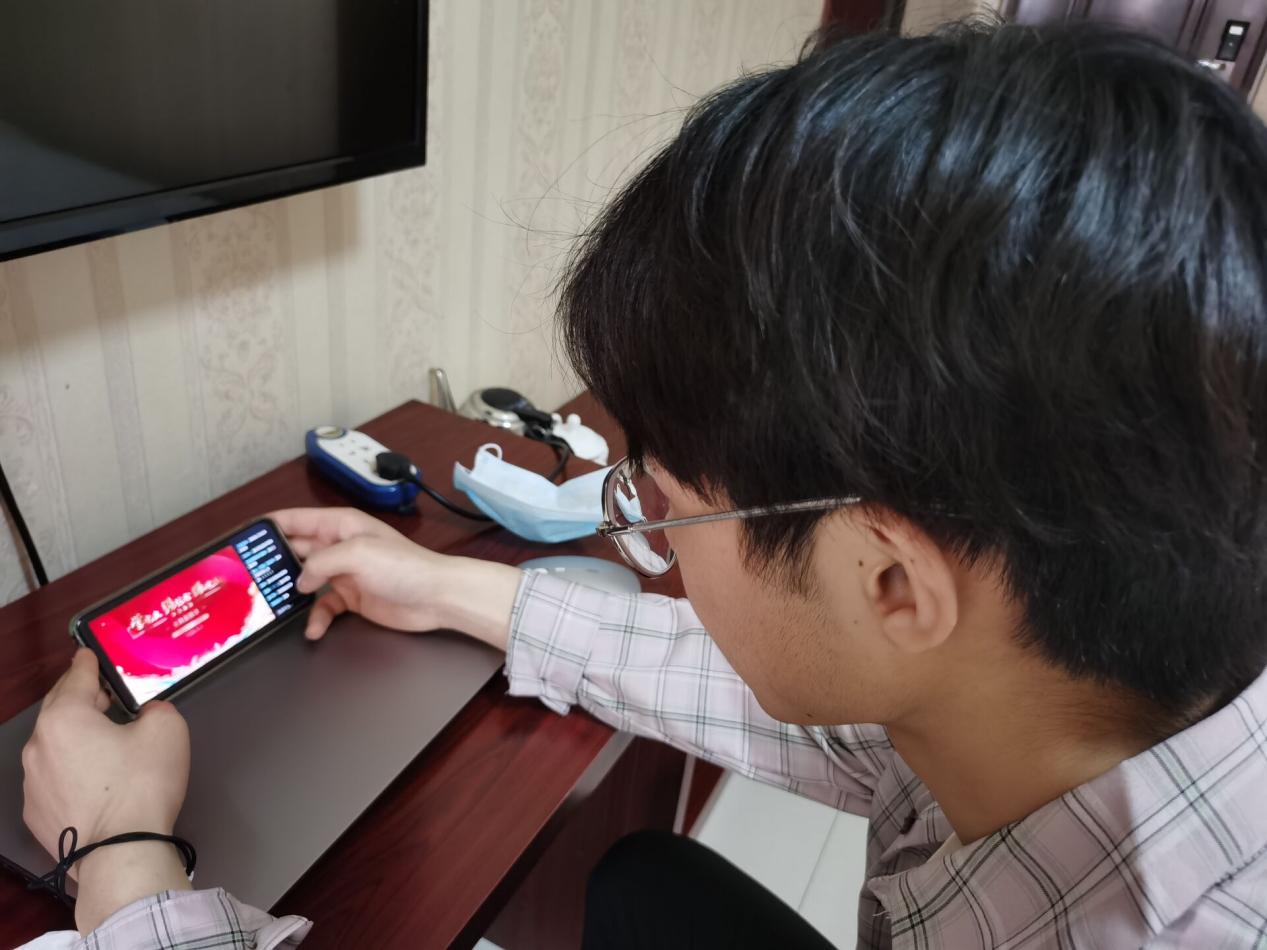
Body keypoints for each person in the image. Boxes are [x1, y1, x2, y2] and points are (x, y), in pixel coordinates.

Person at [20, 17, 1267, 949]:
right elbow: (822, 710)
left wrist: (122, 859)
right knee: (642, 880)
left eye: (660, 498)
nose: (651, 525)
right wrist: (449, 588)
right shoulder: (1049, 677)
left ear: (891, 579)